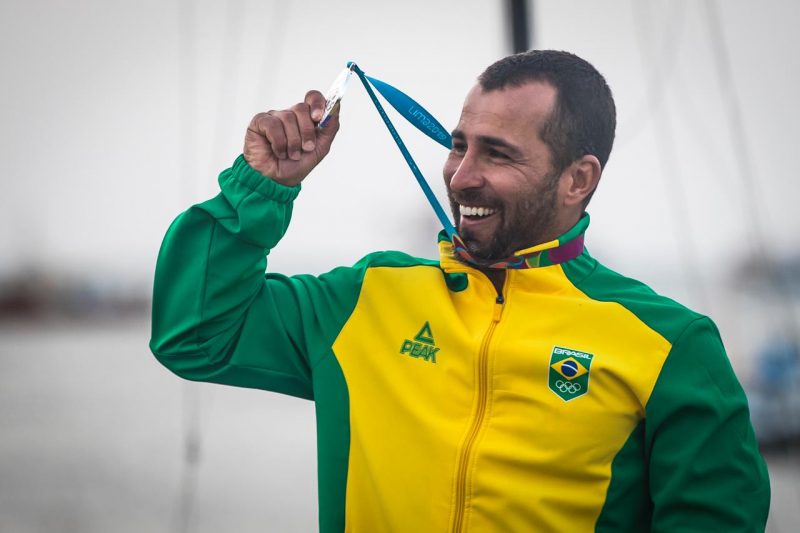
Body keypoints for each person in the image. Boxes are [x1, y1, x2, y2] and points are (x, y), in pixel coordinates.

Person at [150, 50, 770, 532]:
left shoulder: (671, 345)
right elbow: (195, 335)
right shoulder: (366, 299)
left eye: (496, 154)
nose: (461, 175)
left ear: (578, 179)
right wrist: (260, 189)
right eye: (457, 144)